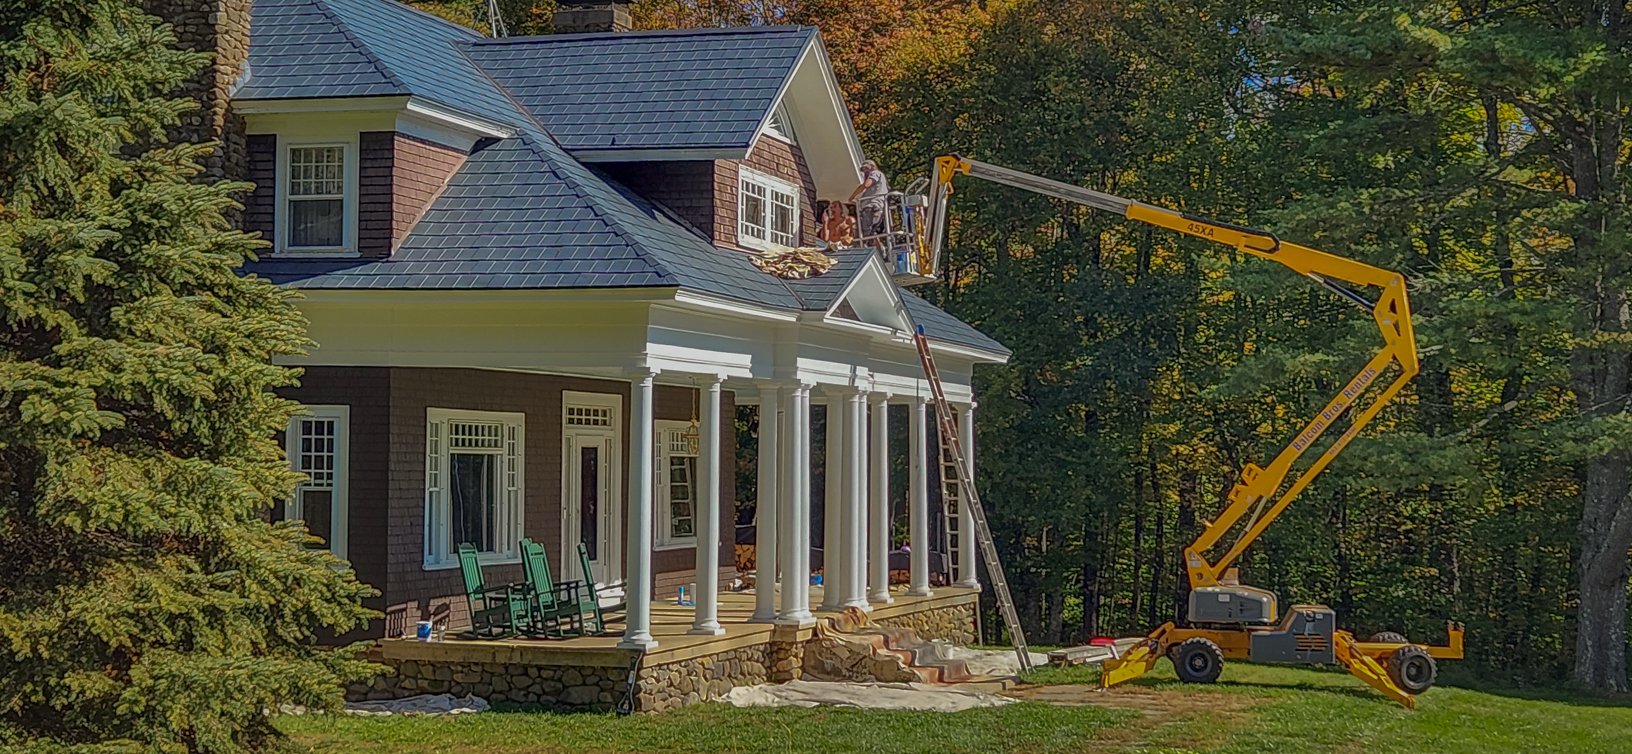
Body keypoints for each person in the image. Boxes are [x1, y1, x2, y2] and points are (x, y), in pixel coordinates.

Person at [847, 159, 890, 240]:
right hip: (877, 206)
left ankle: (865, 245)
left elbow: (866, 185)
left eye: (866, 169)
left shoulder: (875, 173)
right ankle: (879, 248)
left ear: (873, 167)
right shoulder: (880, 179)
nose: (865, 172)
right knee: (872, 232)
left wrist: (852, 197)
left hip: (872, 206)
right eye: (863, 170)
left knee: (866, 232)